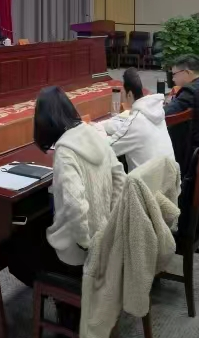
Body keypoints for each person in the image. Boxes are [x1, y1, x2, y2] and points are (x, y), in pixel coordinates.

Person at [35, 86, 126, 266]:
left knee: (20, 249)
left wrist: (86, 244)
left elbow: (75, 204)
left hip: (78, 252)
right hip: (105, 238)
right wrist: (109, 224)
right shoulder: (94, 133)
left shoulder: (65, 150)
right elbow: (120, 178)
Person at [104, 69, 174, 171]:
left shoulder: (135, 122)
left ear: (129, 94)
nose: (122, 96)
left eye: (122, 92)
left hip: (145, 181)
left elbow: (106, 147)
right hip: (170, 178)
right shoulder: (156, 112)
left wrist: (96, 130)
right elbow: (129, 128)